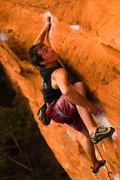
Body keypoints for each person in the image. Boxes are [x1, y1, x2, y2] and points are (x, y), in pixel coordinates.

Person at [29, 17, 115, 174]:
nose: (50, 50)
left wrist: (45, 28)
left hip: (57, 112)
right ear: (42, 61)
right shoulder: (57, 73)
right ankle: (93, 130)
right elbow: (67, 93)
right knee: (78, 87)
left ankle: (95, 164)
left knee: (87, 137)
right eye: (46, 52)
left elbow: (36, 45)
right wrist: (90, 106)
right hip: (59, 108)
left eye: (47, 48)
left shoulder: (41, 65)